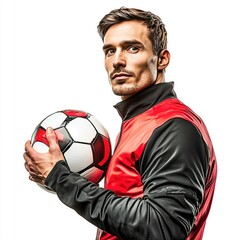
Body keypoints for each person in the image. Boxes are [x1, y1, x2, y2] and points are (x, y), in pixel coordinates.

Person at [23, 7, 217, 240]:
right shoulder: (140, 121)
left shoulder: (173, 127)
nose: (117, 61)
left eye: (132, 48)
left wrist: (61, 179)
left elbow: (164, 228)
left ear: (162, 59)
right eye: (109, 51)